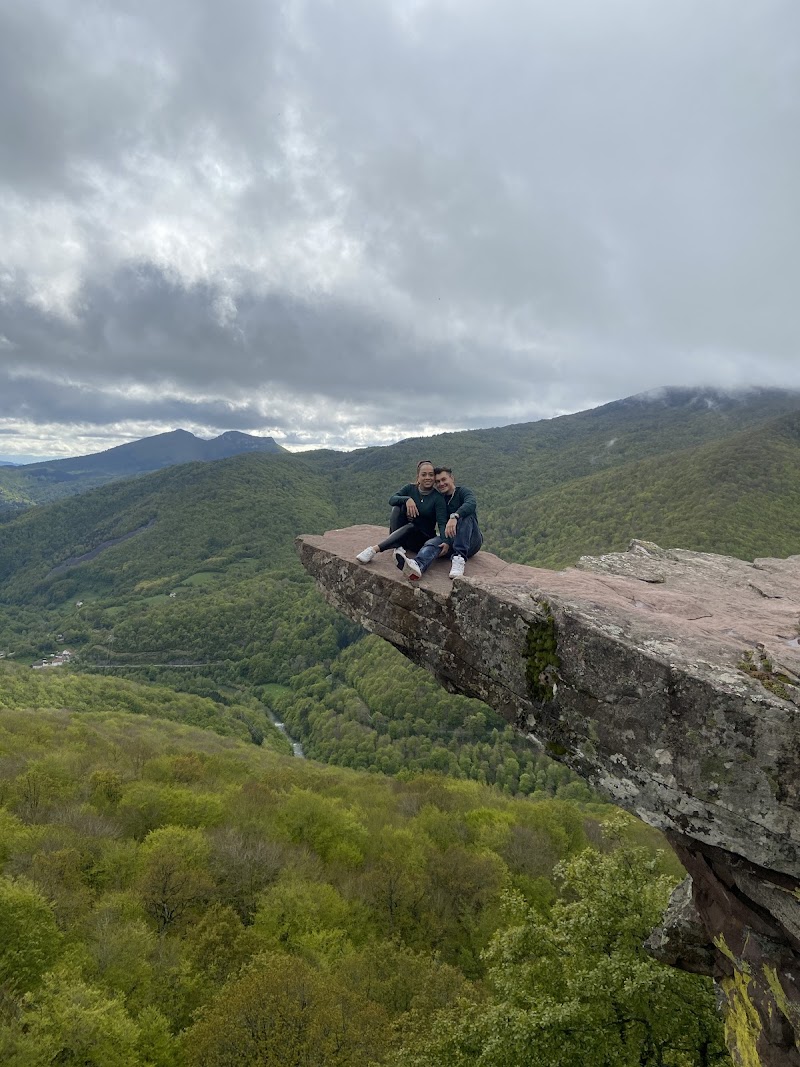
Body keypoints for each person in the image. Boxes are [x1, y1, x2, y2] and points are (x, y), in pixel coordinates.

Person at [356, 460, 447, 566]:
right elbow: (392, 499)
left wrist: (445, 541)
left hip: (421, 539)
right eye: (424, 474)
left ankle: (374, 549)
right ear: (418, 477)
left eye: (431, 475)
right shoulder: (410, 489)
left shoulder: (437, 498)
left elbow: (442, 522)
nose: (428, 477)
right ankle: (398, 546)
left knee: (411, 526)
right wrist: (407, 499)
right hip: (406, 535)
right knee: (397, 508)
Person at [403, 466, 483, 580]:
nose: (441, 483)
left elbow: (471, 504)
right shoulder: (439, 499)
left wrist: (455, 516)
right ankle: (417, 566)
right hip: (451, 538)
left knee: (466, 515)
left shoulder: (462, 492)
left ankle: (459, 558)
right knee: (433, 543)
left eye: (444, 479)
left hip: (471, 541)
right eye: (438, 481)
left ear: (452, 478)